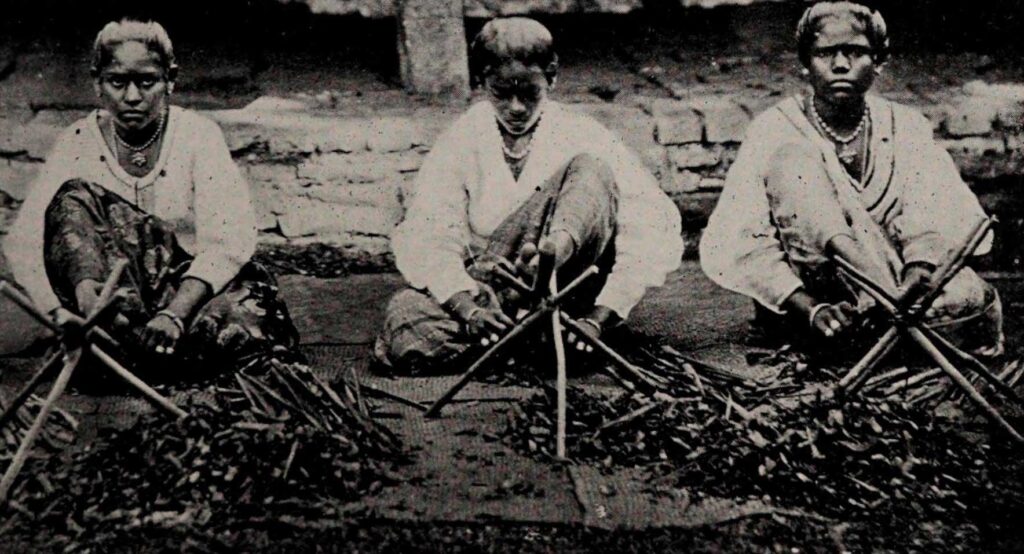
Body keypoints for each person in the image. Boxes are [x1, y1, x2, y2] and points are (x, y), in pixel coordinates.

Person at [375, 17, 682, 373]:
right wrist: (470, 308)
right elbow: (431, 234)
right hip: (496, 295)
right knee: (404, 317)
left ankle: (549, 322)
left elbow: (646, 229)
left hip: (568, 289)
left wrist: (599, 317)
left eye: (529, 92)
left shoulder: (583, 134)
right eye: (501, 93)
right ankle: (532, 340)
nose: (516, 108)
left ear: (551, 77)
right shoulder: (464, 138)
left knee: (590, 170)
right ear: (481, 82)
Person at [699, 1, 1003, 358]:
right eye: (825, 53)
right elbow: (745, 240)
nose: (841, 65)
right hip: (818, 292)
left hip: (901, 282)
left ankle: (886, 313)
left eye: (856, 52)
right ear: (805, 63)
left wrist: (919, 268)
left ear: (878, 63)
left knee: (970, 298)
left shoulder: (905, 125)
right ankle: (880, 318)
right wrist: (810, 307)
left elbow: (934, 205)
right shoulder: (774, 129)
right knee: (792, 161)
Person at [3, 18, 299, 377]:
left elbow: (230, 239)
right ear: (98, 83)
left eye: (147, 82)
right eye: (117, 82)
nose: (132, 97)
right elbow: (25, 241)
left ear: (170, 80)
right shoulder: (77, 140)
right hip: (112, 303)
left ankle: (127, 354)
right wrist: (62, 312)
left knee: (246, 323)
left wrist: (174, 313)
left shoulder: (197, 136)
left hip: (186, 290)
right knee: (72, 198)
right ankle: (121, 343)